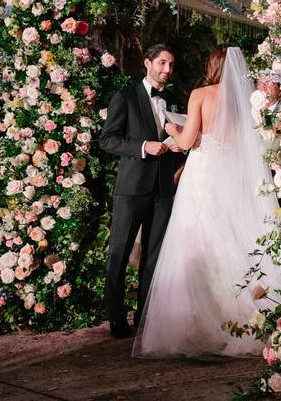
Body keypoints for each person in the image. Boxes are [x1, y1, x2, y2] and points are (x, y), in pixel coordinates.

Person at [133, 46, 281, 358]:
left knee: (196, 242)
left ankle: (201, 320)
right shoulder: (244, 101)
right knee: (229, 238)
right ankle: (241, 315)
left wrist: (172, 127)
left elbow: (187, 142)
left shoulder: (201, 93)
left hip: (202, 176)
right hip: (230, 175)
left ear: (212, 66)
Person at [99, 43, 185, 339]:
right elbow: (108, 140)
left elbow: (182, 138)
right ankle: (116, 318)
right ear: (147, 63)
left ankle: (145, 318)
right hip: (132, 188)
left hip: (163, 188)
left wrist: (178, 160)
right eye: (162, 63)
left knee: (154, 256)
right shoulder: (125, 98)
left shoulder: (172, 100)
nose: (167, 70)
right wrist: (142, 147)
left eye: (171, 65)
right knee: (119, 253)